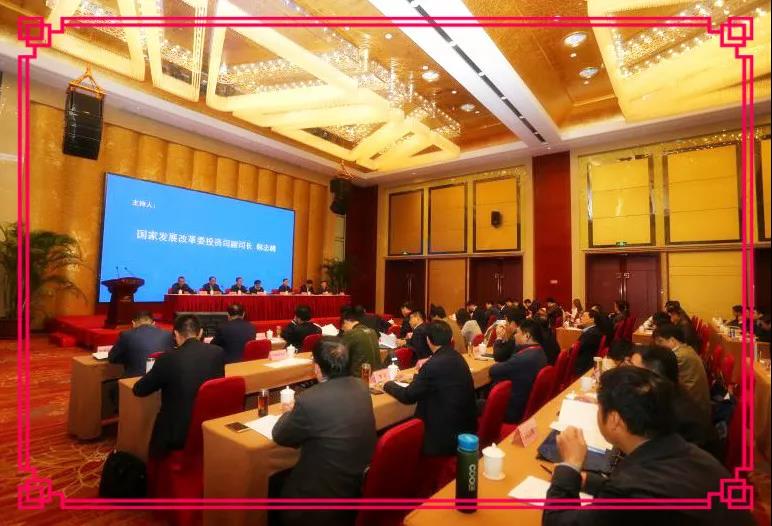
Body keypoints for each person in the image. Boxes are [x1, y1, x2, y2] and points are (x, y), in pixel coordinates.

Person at [543, 366, 753, 526]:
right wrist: (587, 481)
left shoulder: (631, 489)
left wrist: (570, 464)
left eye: (600, 407)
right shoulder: (681, 449)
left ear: (615, 420)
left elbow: (557, 521)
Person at [273, 337, 377, 526]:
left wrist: (287, 412)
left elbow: (281, 435)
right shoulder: (362, 387)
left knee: (273, 482)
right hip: (355, 483)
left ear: (317, 367)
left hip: (319, 497)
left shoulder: (309, 399)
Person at [132, 315, 225, 458]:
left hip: (178, 433)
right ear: (200, 332)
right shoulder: (217, 352)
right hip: (209, 425)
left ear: (175, 334)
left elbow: (139, 390)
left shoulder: (167, 358)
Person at [384, 321, 477, 456]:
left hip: (443, 437)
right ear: (451, 339)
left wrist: (387, 384)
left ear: (428, 340)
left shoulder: (433, 365)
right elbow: (436, 379)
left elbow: (408, 396)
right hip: (464, 428)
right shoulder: (458, 357)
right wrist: (416, 376)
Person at [631, 345, 721, 459]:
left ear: (654, 378)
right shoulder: (670, 391)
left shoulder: (675, 415)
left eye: (633, 371)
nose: (627, 376)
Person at [488, 319, 548, 423]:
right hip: (528, 406)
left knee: (475, 404)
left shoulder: (523, 358)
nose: (515, 336)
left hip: (512, 410)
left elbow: (493, 371)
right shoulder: (540, 352)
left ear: (527, 336)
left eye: (517, 333)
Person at [653, 323, 711, 419]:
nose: (658, 346)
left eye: (660, 341)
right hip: (694, 402)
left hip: (694, 410)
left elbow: (662, 376)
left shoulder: (678, 356)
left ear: (672, 340)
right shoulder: (686, 348)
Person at [108, 311, 174, 377]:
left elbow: (112, 358)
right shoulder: (167, 334)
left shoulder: (126, 335)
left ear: (133, 323)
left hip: (134, 380)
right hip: (162, 379)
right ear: (154, 323)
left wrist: (129, 358)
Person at [340, 308, 382, 377]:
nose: (343, 330)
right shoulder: (372, 331)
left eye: (343, 327)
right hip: (377, 375)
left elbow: (340, 355)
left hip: (360, 376)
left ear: (346, 321)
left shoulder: (351, 333)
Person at [574, 310, 603, 376]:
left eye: (583, 316)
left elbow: (577, 349)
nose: (581, 317)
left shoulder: (590, 334)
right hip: (587, 359)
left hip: (583, 365)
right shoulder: (594, 330)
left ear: (592, 319)